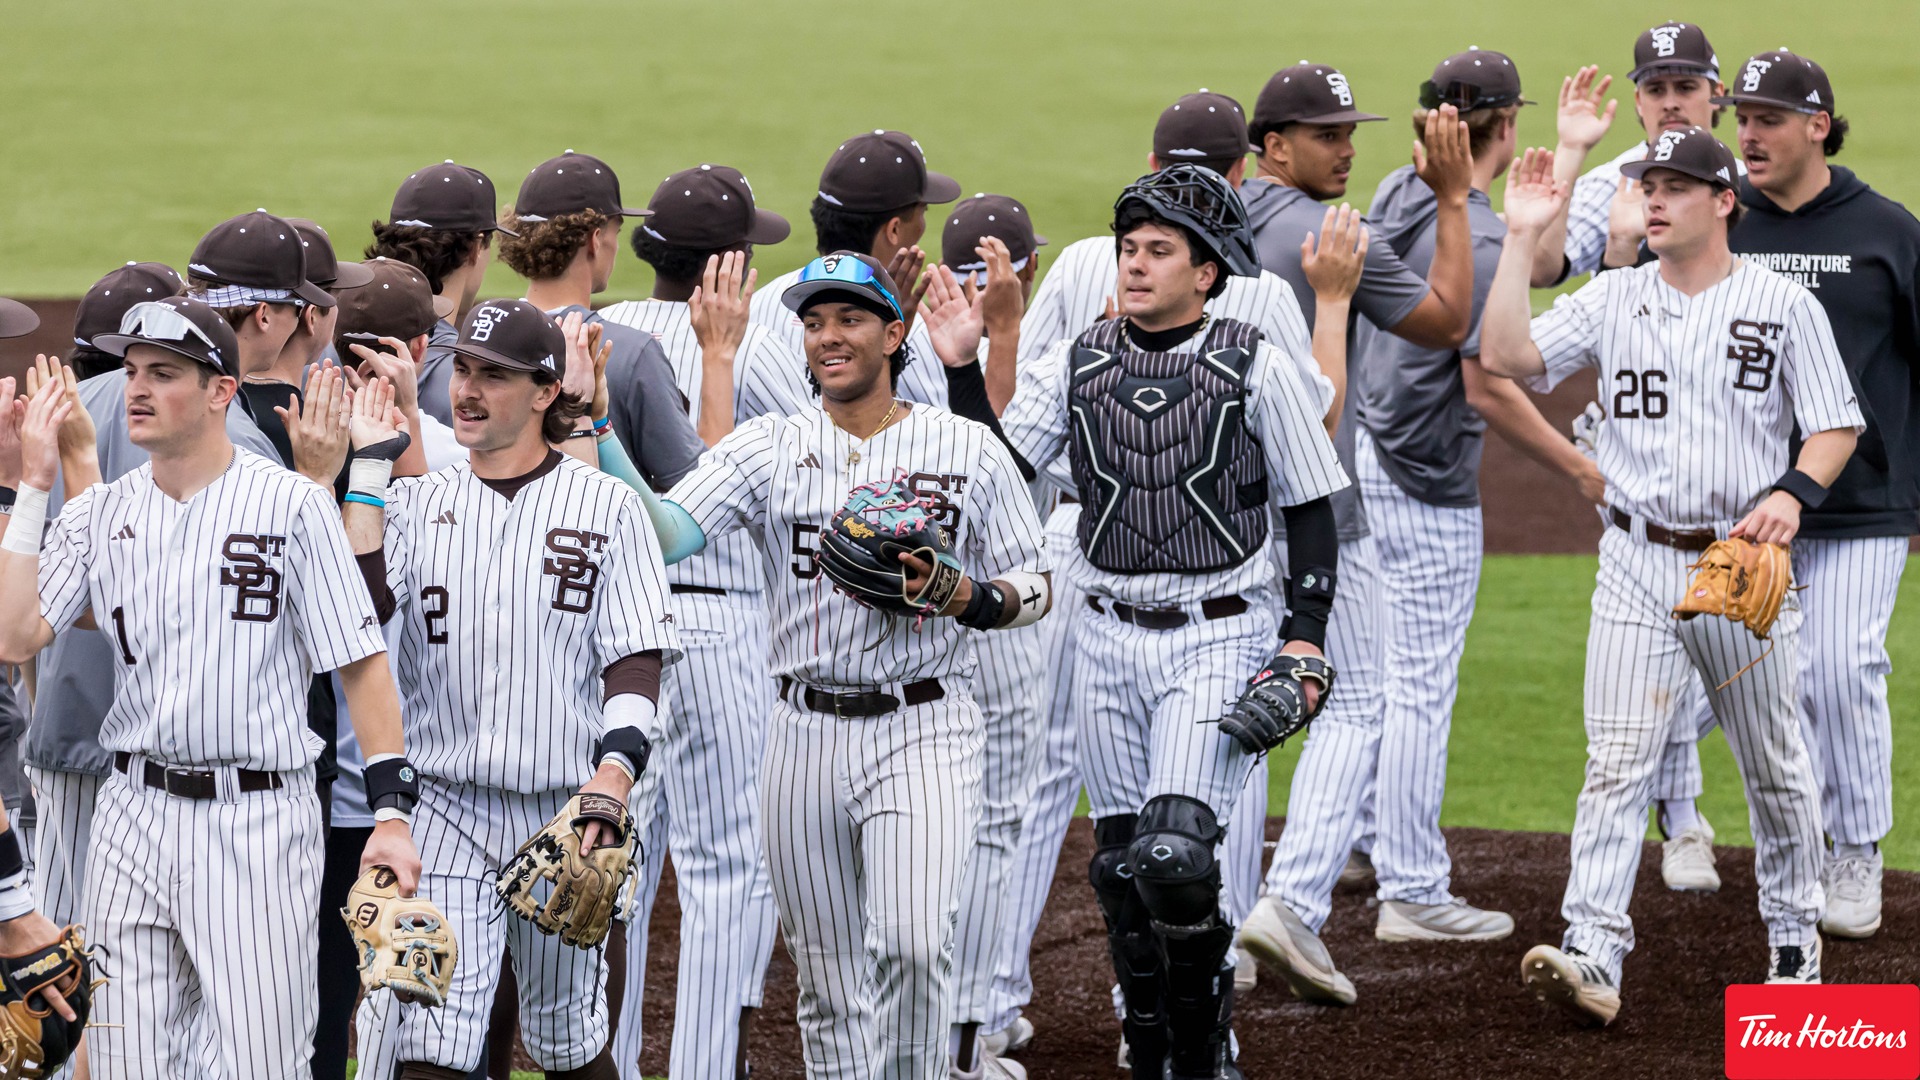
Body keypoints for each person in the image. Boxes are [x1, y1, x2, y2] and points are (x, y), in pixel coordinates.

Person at [984, 94, 1348, 1051]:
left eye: (1157, 250)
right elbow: (998, 468)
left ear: (1206, 270)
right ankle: (1152, 1045)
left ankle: (1201, 1045)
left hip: (1217, 634)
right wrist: (956, 370)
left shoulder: (1254, 365)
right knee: (1120, 871)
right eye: (1128, 249)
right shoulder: (1079, 363)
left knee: (1174, 854)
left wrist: (1304, 635)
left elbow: (1311, 504)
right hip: (1104, 635)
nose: (1135, 265)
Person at [1245, 48, 1606, 1006]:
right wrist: (1578, 466)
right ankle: (1407, 884)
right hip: (1413, 480)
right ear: (1504, 126)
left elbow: (1528, 259)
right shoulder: (1460, 230)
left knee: (1338, 687)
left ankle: (1344, 859)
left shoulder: (1391, 199)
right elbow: (1482, 361)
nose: (1343, 149)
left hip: (1346, 461)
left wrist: (1563, 161)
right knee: (1403, 688)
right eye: (1328, 135)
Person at [1481, 129, 1857, 1024]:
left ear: (1724, 201)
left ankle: (1793, 940)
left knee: (1774, 766)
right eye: (1649, 184)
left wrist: (1793, 495)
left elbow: (1835, 424)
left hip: (1740, 567)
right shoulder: (1613, 296)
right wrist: (1519, 237)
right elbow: (1506, 357)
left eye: (1677, 186)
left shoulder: (1784, 303)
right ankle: (1593, 949)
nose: (1654, 199)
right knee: (1616, 762)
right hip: (1634, 560)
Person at [0, 294, 423, 1073]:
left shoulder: (294, 505)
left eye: (164, 374)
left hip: (257, 822)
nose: (137, 388)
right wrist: (31, 485)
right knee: (121, 1061)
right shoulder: (101, 513)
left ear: (222, 391)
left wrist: (392, 813)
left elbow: (360, 660)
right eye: (133, 371)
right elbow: (15, 633)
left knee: (260, 1060)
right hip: (131, 816)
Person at [665, 252, 1051, 1080]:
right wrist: (595, 427)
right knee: (828, 980)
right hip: (800, 734)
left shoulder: (965, 447)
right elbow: (667, 534)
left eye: (848, 319)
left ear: (894, 333)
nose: (828, 337)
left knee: (912, 944)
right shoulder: (769, 446)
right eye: (813, 323)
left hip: (924, 725)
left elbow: (1037, 584)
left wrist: (970, 597)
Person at [348, 297, 677, 1078]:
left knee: (568, 1041)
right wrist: (368, 466)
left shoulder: (607, 507)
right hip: (441, 813)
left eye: (493, 376)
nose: (467, 390)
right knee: (427, 1037)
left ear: (545, 392)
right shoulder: (416, 503)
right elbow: (359, 615)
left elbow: (635, 655)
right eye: (463, 368)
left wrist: (615, 773)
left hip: (566, 813)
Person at [1645, 49, 1920, 940]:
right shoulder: (1725, 221)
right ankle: (1691, 822)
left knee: (1840, 670)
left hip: (1862, 506)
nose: (1748, 134)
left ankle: (1856, 849)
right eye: (1742, 119)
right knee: (1687, 682)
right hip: (1740, 512)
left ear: (1818, 126)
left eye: (1768, 119)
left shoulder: (1888, 231)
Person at [597, 162, 793, 1080]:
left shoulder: (600, 332)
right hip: (722, 630)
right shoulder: (758, 347)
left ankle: (609, 1062)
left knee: (617, 866)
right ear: (730, 265)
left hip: (617, 633)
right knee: (726, 868)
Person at [498, 150, 707, 492]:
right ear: (595, 240)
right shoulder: (630, 351)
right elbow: (695, 489)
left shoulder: (482, 339)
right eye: (616, 231)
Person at [744, 129, 960, 410]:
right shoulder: (909, 330)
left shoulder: (758, 305)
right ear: (894, 230)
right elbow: (953, 432)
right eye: (923, 212)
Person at [1531, 21, 1731, 284]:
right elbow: (1541, 270)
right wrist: (1571, 149)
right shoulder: (1610, 185)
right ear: (1638, 101)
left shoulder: (1745, 181)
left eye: (1685, 87)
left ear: (1716, 94)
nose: (1670, 103)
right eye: (1655, 90)